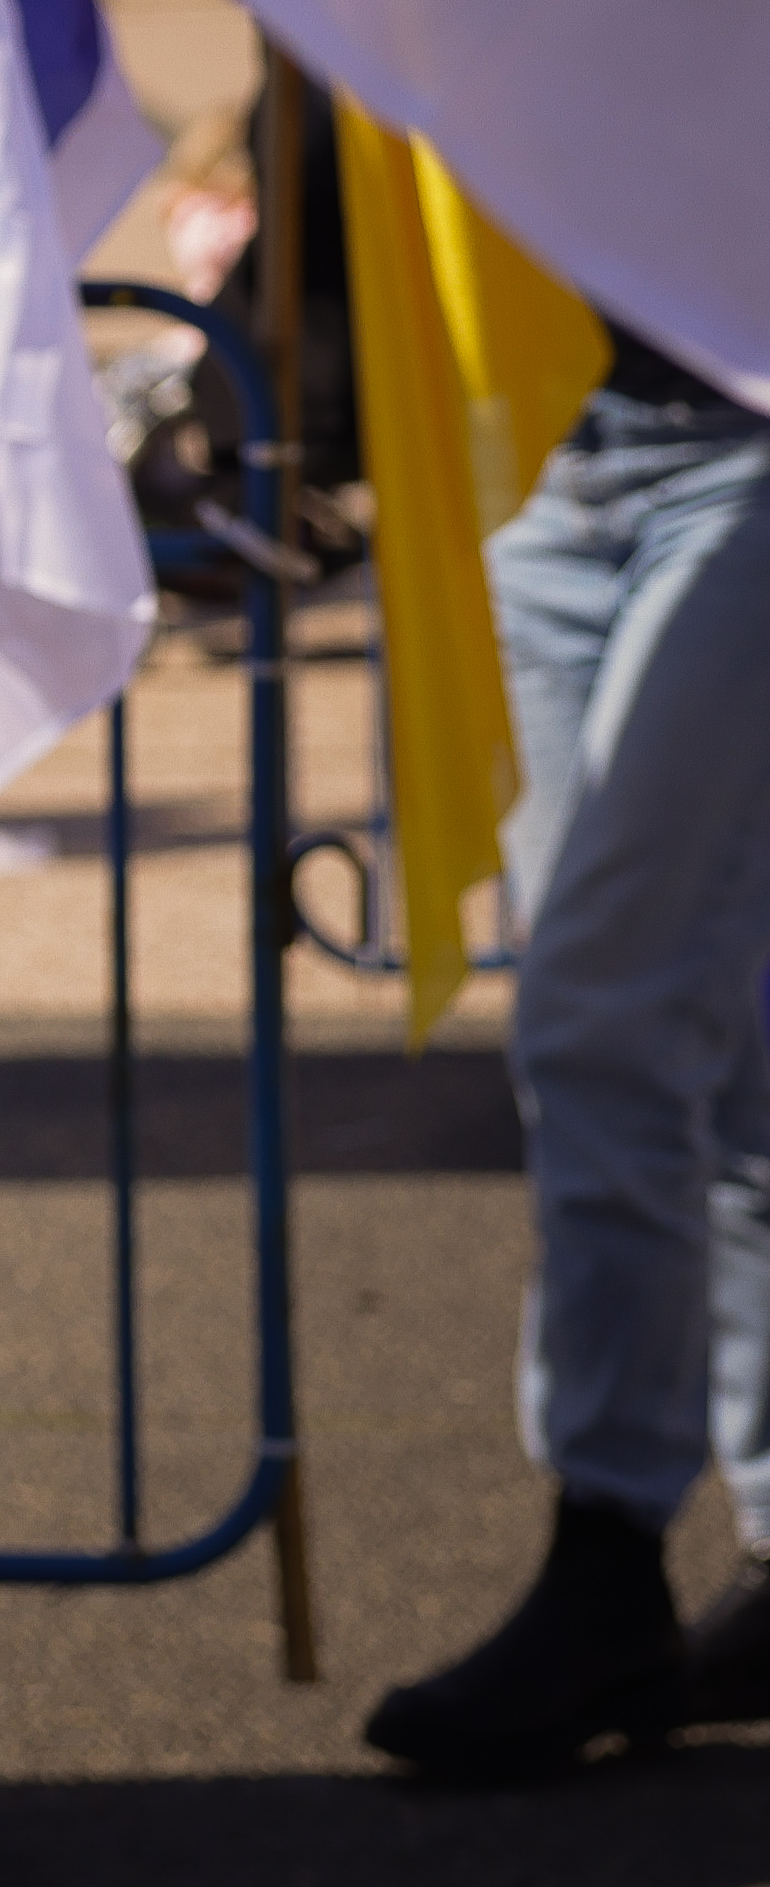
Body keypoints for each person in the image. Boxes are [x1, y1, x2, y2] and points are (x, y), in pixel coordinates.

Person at [368, 314, 770, 1776]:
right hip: (535, 435)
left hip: (747, 444)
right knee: (711, 1043)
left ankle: (603, 1553)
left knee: (603, 1015)